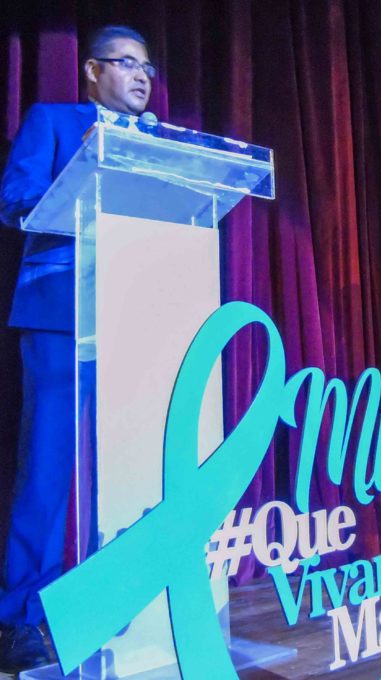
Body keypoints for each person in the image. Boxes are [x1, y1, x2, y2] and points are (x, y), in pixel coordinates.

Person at [0, 26, 154, 672]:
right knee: (49, 467)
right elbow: (17, 200)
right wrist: (84, 182)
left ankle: (107, 598)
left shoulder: (158, 142)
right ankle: (20, 616)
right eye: (128, 64)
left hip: (137, 320)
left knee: (126, 465)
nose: (142, 77)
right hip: (63, 313)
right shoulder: (55, 121)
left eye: (148, 68)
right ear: (93, 70)